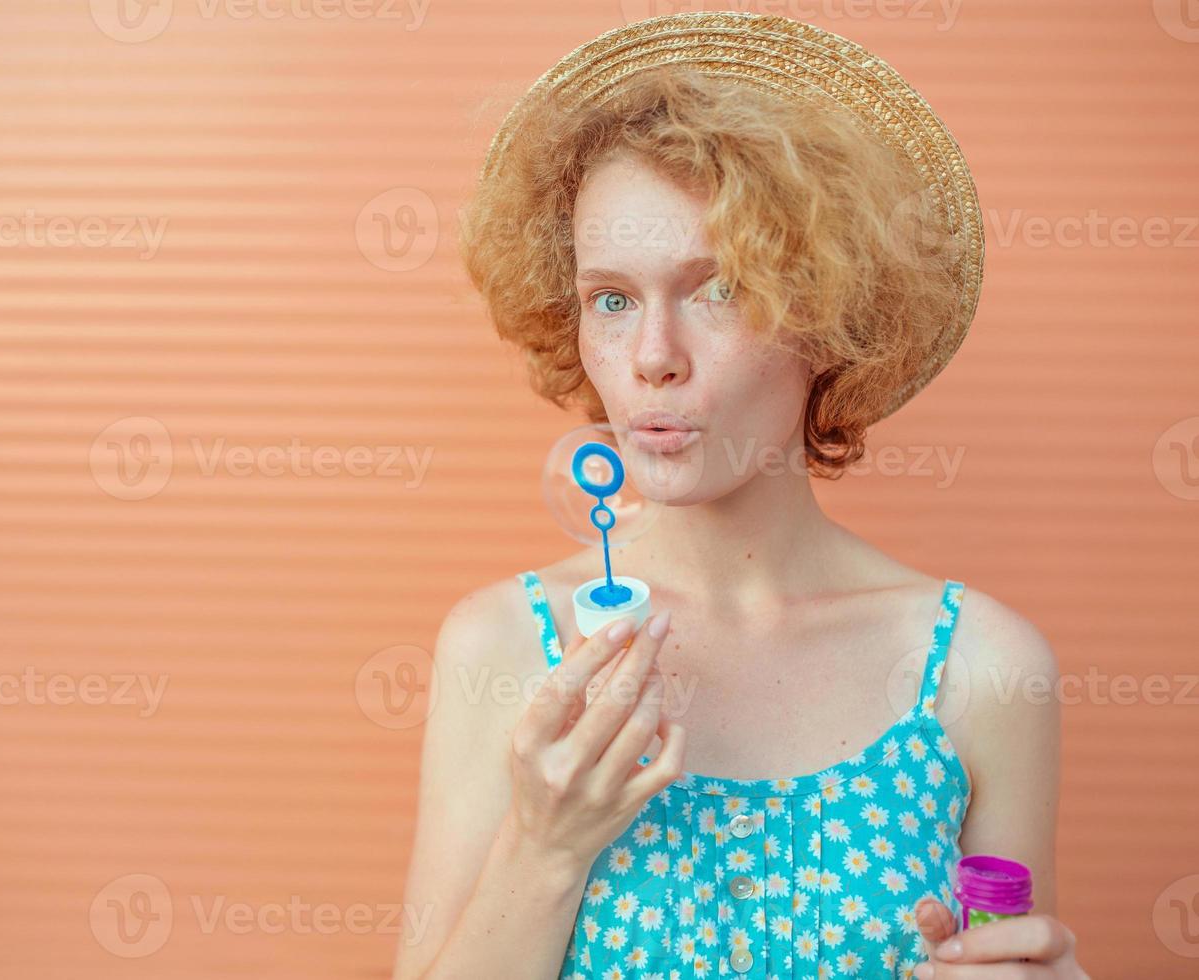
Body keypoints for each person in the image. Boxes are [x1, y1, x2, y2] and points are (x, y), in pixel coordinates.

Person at [394, 13, 1088, 979]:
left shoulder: (984, 666)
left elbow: (1004, 951)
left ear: (828, 312)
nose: (651, 360)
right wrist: (546, 848)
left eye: (718, 289)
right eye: (612, 298)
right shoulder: (504, 647)